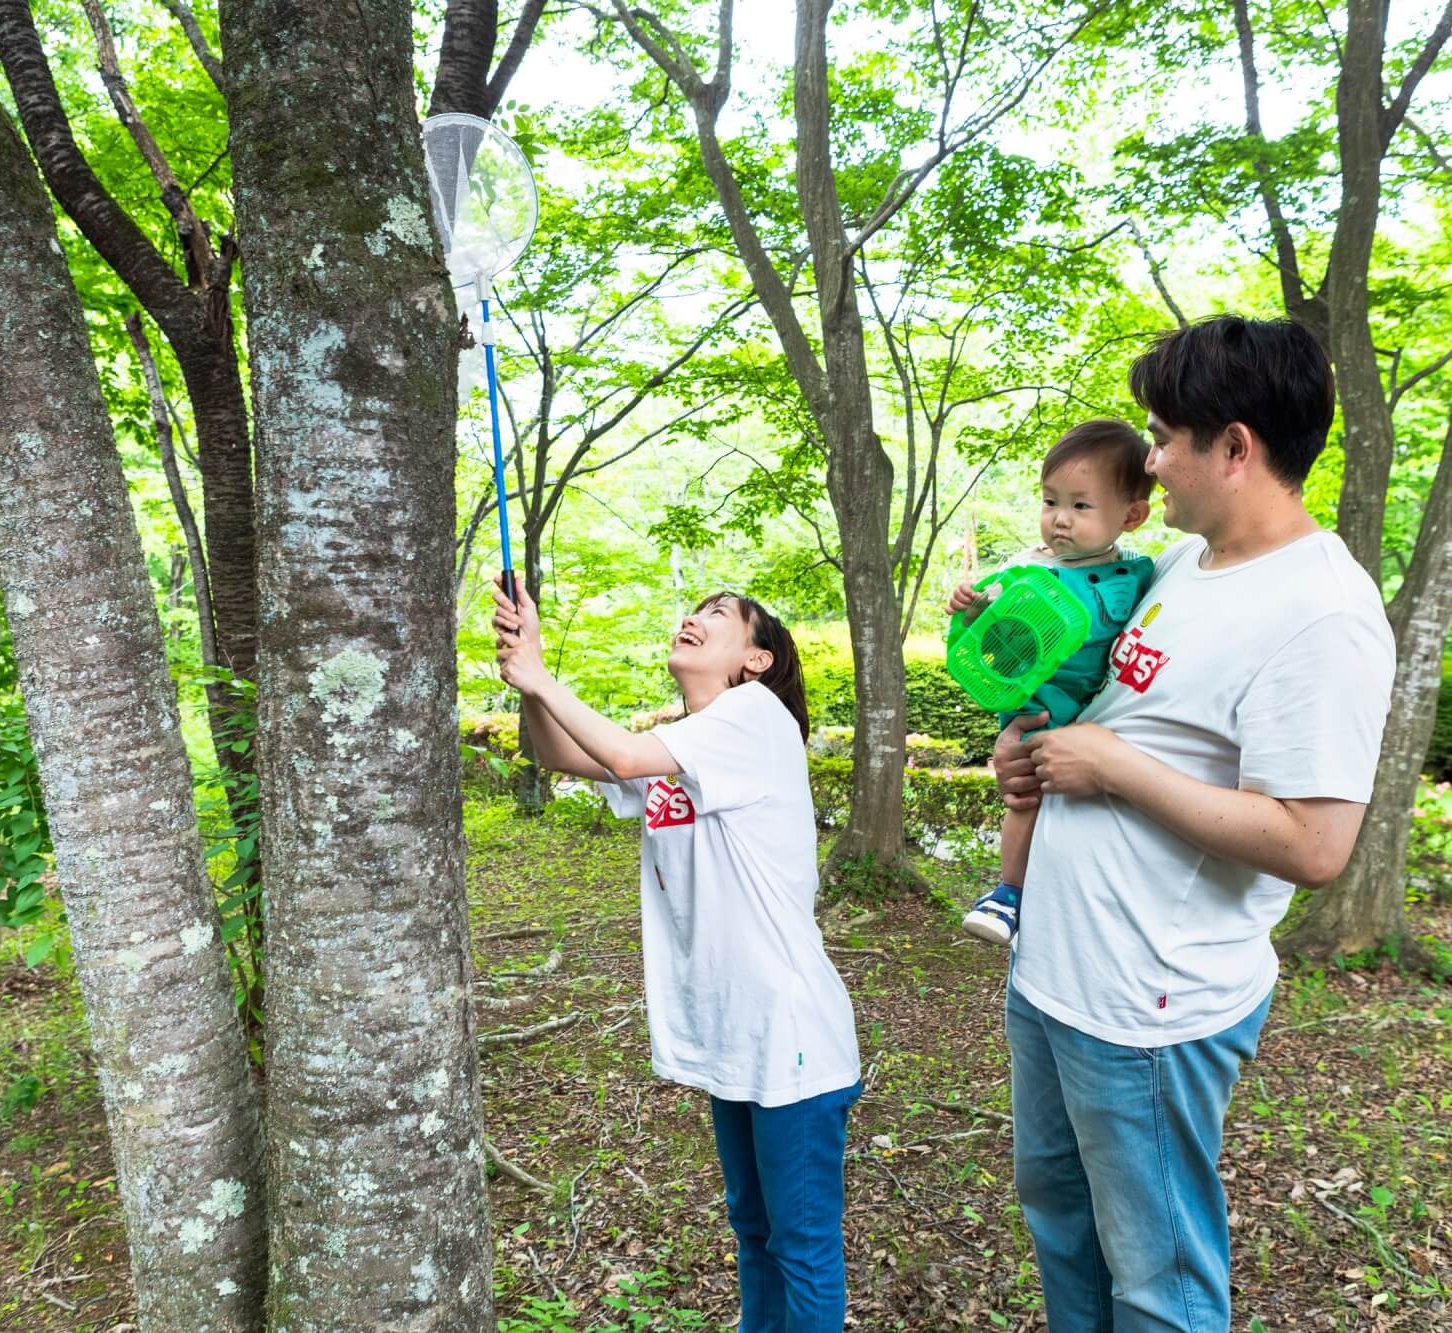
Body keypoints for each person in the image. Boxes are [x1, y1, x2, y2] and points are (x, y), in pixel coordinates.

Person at [992, 316, 1395, 1332]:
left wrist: (1115, 767)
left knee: (1157, 1278)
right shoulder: (1178, 569)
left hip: (1149, 1010)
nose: (1153, 461)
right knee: (1061, 1223)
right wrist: (1035, 748)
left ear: (1235, 447)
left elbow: (1313, 842)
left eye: (1168, 436)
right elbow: (1103, 711)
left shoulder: (1320, 611)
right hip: (1054, 974)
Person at [492, 582, 861, 1333]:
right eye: (692, 610)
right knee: (753, 1232)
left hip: (791, 1034)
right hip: (736, 1035)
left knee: (802, 1244)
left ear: (756, 658)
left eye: (717, 615)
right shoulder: (688, 745)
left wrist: (538, 672)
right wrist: (522, 671)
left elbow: (621, 749)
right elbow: (563, 753)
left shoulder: (754, 717)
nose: (691, 619)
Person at [947, 420, 1155, 946]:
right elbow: (992, 643)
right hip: (1038, 711)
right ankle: (1007, 894)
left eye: (1081, 506)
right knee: (1026, 798)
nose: (1060, 520)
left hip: (1101, 723)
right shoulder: (1023, 572)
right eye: (1050, 502)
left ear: (1131, 516)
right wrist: (969, 610)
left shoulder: (1141, 574)